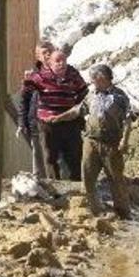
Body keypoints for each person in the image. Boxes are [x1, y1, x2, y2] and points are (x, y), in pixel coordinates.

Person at [52, 63, 132, 219]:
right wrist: (59, 117)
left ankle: (123, 213)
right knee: (88, 175)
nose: (91, 81)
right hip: (91, 140)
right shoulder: (91, 94)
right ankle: (94, 210)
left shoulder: (119, 97)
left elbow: (128, 121)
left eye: (93, 78)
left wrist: (125, 141)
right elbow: (78, 110)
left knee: (116, 179)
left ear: (101, 78)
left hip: (111, 143)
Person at [22, 48, 88, 180]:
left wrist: (77, 109)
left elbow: (83, 92)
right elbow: (26, 94)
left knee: (75, 155)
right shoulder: (40, 76)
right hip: (48, 124)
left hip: (70, 122)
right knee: (51, 158)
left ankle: (77, 184)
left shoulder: (73, 74)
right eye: (57, 61)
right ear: (50, 63)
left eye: (64, 60)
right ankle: (55, 186)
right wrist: (26, 81)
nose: (61, 64)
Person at [11, 39, 54, 178]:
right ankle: (43, 191)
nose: (48, 55)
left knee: (57, 163)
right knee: (39, 163)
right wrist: (22, 123)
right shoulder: (32, 76)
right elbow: (24, 101)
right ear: (38, 56)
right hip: (36, 125)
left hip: (58, 126)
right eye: (44, 52)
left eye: (50, 51)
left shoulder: (63, 72)